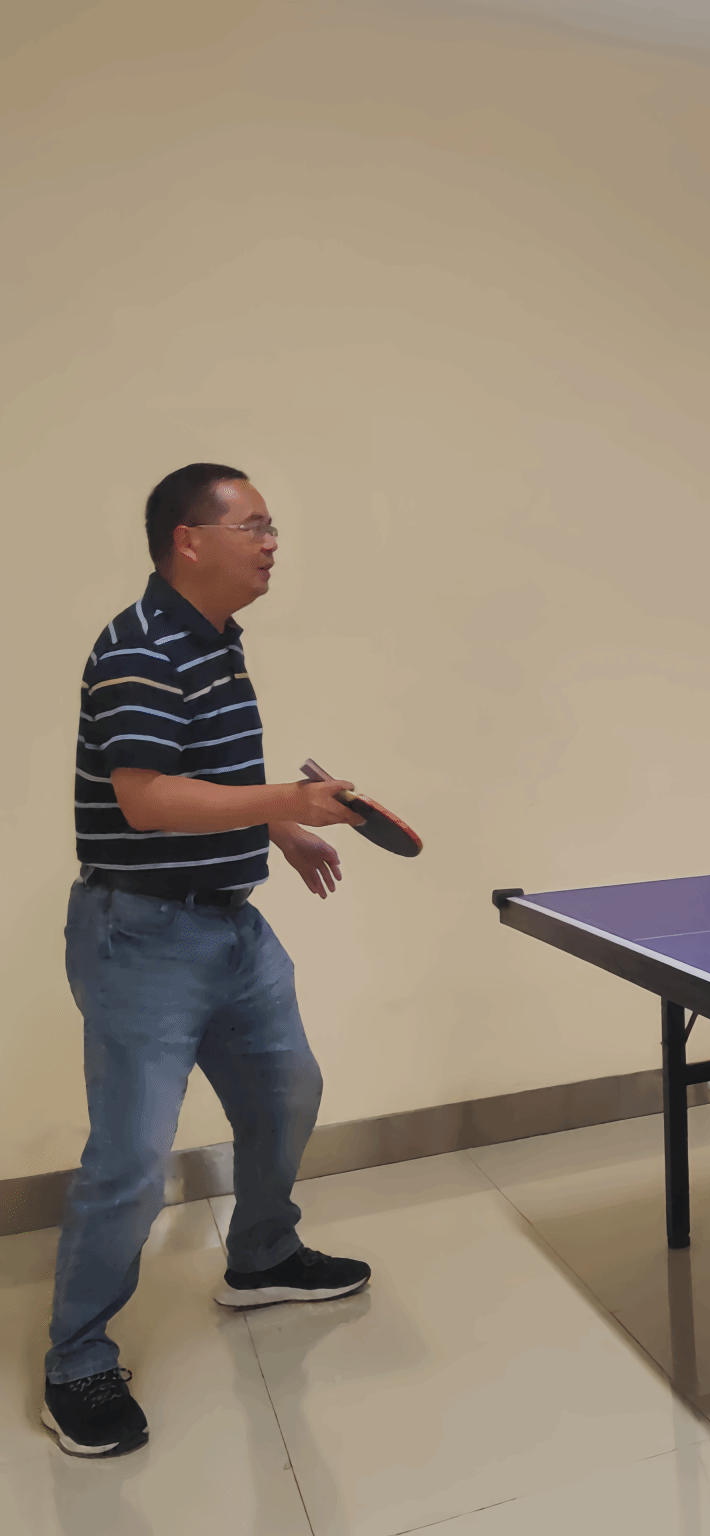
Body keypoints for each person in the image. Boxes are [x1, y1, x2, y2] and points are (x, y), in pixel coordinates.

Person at [44, 464, 374, 1459]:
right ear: (188, 540)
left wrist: (281, 829)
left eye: (273, 526)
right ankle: (76, 1359)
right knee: (132, 1161)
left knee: (286, 1093)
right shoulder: (140, 649)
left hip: (233, 929)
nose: (272, 543)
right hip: (141, 937)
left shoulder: (217, 639)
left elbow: (206, 771)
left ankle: (262, 1255)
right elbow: (145, 798)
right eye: (253, 526)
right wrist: (288, 801)